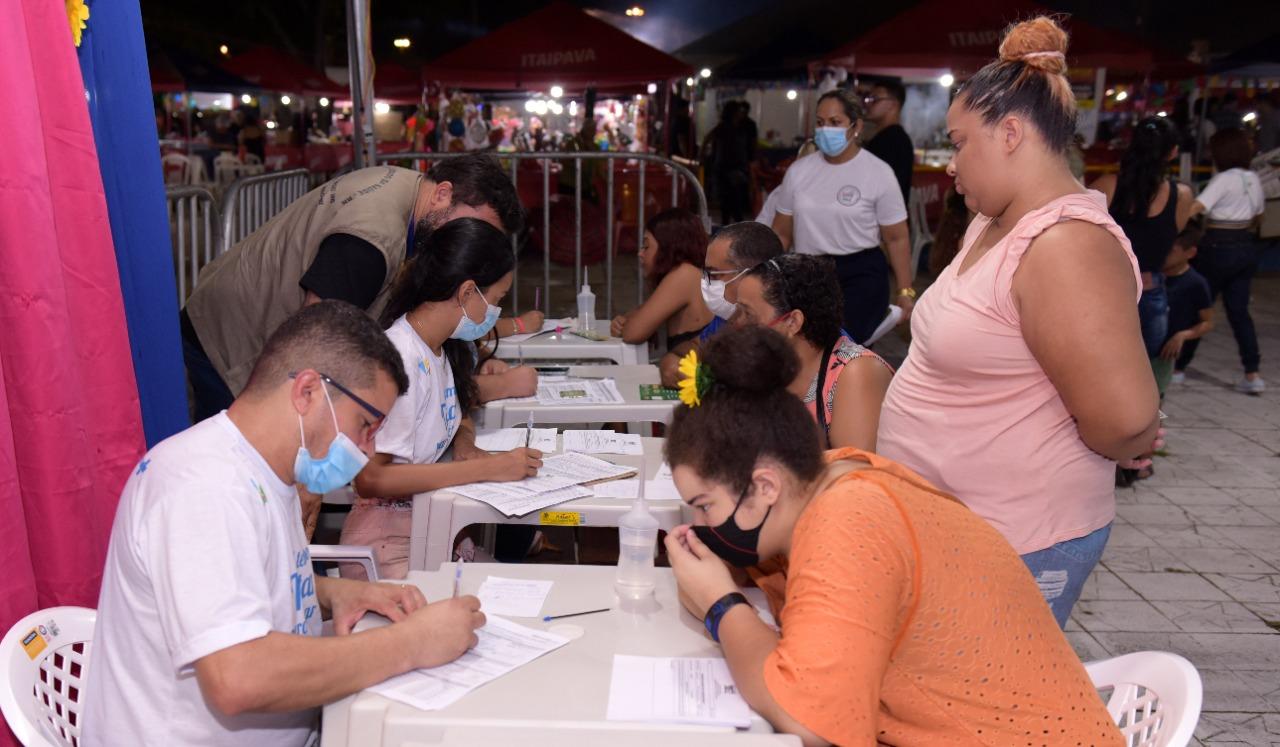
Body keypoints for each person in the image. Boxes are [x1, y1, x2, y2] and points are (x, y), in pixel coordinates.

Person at [662, 325, 1123, 747]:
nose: (702, 524)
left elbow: (811, 721)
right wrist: (715, 583)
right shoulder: (832, 478)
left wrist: (720, 604)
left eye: (705, 506)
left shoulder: (848, 522)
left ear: (764, 486)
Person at [83, 301, 486, 747]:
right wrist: (413, 643)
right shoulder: (202, 486)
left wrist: (335, 592)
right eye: (365, 425)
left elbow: (244, 580)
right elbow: (238, 677)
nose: (368, 450)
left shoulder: (262, 472)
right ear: (308, 392)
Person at [877, 16, 1161, 628]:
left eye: (958, 144)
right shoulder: (993, 221)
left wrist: (1130, 433)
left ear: (1010, 133)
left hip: (1014, 539)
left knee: (982, 709)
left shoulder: (1065, 246)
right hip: (952, 526)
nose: (950, 165)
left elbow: (1126, 420)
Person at [182, 154, 523, 422]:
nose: (472, 242)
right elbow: (317, 342)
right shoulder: (372, 238)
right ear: (443, 193)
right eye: (471, 226)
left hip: (249, 321)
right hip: (227, 343)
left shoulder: (411, 191)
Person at [335, 218, 545, 579]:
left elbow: (454, 407)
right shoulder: (401, 355)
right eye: (495, 300)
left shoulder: (440, 347)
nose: (494, 312)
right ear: (467, 292)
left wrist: (464, 442)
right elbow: (371, 479)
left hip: (425, 529)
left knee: (515, 588)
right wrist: (489, 467)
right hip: (387, 546)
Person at [771, 89, 912, 344]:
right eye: (820, 122)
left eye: (835, 122)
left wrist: (905, 290)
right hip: (808, 272)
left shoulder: (878, 172)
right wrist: (766, 276)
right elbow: (781, 232)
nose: (826, 130)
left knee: (839, 344)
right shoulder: (799, 171)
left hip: (860, 273)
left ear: (855, 126)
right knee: (800, 343)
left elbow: (896, 237)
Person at [732, 254, 893, 450]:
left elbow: (855, 471)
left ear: (793, 322)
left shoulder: (856, 372)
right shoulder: (764, 362)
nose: (738, 323)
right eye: (738, 312)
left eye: (748, 315)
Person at [1091, 116, 1194, 361]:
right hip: (1150, 291)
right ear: (1173, 153)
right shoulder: (1182, 195)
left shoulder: (1107, 186)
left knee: (1096, 372)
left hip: (1105, 290)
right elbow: (1171, 233)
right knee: (1142, 377)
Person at [1184, 128, 1267, 392]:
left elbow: (1197, 207)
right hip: (1245, 245)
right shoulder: (1253, 178)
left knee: (1199, 307)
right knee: (1240, 312)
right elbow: (1259, 215)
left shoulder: (1223, 179)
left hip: (1217, 245)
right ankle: (1252, 373)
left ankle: (1178, 367)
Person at [657, 221, 785, 386]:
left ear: (753, 274)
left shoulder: (782, 328)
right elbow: (696, 345)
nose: (707, 284)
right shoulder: (728, 318)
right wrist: (674, 362)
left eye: (715, 275)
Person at [610, 209, 713, 354]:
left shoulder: (684, 274)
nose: (640, 253)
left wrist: (626, 324)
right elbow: (642, 313)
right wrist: (621, 322)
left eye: (646, 246)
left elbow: (632, 333)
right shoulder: (688, 273)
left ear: (669, 247)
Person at [1160, 226, 1214, 391]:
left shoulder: (1195, 283)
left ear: (1190, 253)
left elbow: (1208, 322)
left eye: (1172, 251)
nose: (1165, 255)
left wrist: (1183, 335)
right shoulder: (1151, 276)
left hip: (1163, 353)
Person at [863, 78, 915, 206]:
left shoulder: (893, 141)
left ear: (893, 105)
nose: (868, 104)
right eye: (868, 99)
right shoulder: (887, 138)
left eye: (875, 99)